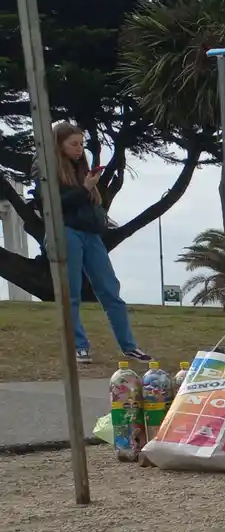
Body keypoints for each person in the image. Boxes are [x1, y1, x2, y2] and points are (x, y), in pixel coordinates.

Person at [40, 122, 150, 365]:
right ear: (59, 145)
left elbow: (89, 202)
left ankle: (129, 346)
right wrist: (85, 188)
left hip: (90, 234)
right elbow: (52, 204)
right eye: (73, 144)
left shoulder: (82, 169)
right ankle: (79, 346)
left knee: (110, 290)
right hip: (66, 232)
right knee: (71, 292)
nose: (79, 149)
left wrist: (91, 192)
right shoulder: (48, 169)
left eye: (81, 144)